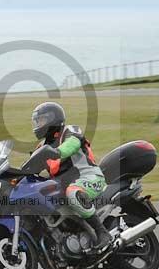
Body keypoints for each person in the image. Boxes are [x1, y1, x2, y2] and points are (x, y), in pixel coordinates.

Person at [31, 101, 112, 252]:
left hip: (90, 178)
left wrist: (57, 152)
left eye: (41, 120)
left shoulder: (70, 130)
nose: (38, 125)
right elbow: (30, 167)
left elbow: (73, 144)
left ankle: (102, 232)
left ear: (52, 120)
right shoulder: (41, 148)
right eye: (37, 121)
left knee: (73, 192)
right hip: (63, 184)